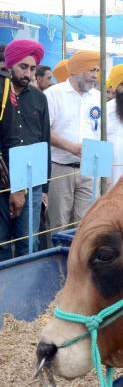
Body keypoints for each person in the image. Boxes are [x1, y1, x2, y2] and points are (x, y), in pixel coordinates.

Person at [0, 39, 50, 260]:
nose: (27, 73)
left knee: (28, 244)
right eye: (22, 67)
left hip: (32, 180)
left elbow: (44, 140)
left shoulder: (39, 98)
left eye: (32, 68)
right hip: (2, 178)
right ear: (10, 64)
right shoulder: (1, 91)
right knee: (1, 244)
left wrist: (45, 188)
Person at [44, 50, 100, 230]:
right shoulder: (53, 94)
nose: (95, 76)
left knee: (86, 224)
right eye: (92, 70)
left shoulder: (98, 97)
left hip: (90, 170)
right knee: (58, 223)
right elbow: (44, 130)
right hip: (61, 168)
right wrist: (70, 147)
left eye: (98, 71)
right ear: (77, 70)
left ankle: (78, 259)